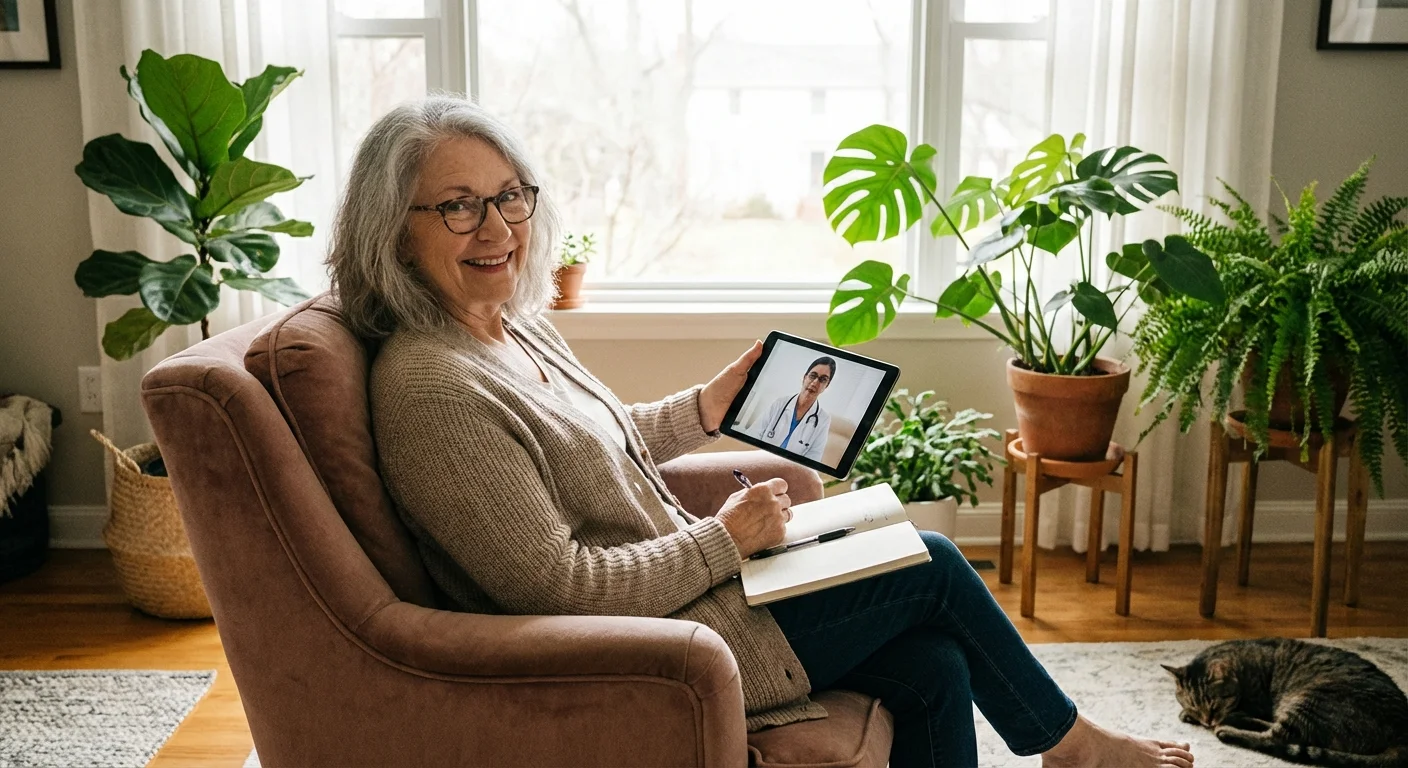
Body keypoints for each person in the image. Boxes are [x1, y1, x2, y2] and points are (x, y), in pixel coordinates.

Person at [340, 96, 1195, 768]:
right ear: (395, 231)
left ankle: (1067, 747)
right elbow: (557, 587)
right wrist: (725, 538)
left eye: (509, 196)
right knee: (932, 561)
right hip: (656, 647)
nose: (497, 228)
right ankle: (1073, 749)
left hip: (696, 599)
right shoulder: (431, 387)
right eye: (457, 207)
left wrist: (705, 410)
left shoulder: (506, 324)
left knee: (936, 664)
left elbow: (585, 451)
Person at [748, 358, 833, 463]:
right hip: (760, 460)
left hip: (791, 469)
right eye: (813, 376)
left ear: (827, 386)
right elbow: (753, 433)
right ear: (804, 377)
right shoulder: (780, 403)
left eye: (823, 379)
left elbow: (814, 456)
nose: (815, 382)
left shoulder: (824, 419)